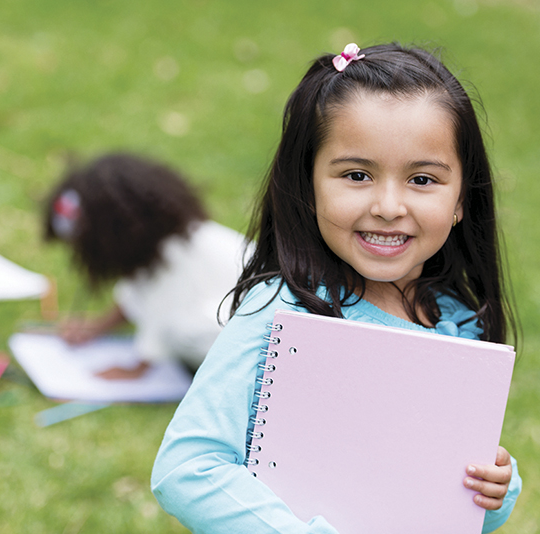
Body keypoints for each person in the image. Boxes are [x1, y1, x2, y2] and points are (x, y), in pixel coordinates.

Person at [151, 43, 522, 533]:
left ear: (460, 200)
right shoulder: (279, 312)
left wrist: (496, 490)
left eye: (423, 179)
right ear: (307, 186)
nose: (389, 205)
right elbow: (188, 469)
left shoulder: (455, 321)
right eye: (357, 174)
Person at [43, 153, 248, 379]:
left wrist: (136, 369)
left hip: (247, 340)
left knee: (183, 329)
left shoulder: (178, 252)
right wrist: (98, 326)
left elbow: (164, 311)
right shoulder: (157, 245)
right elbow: (136, 290)